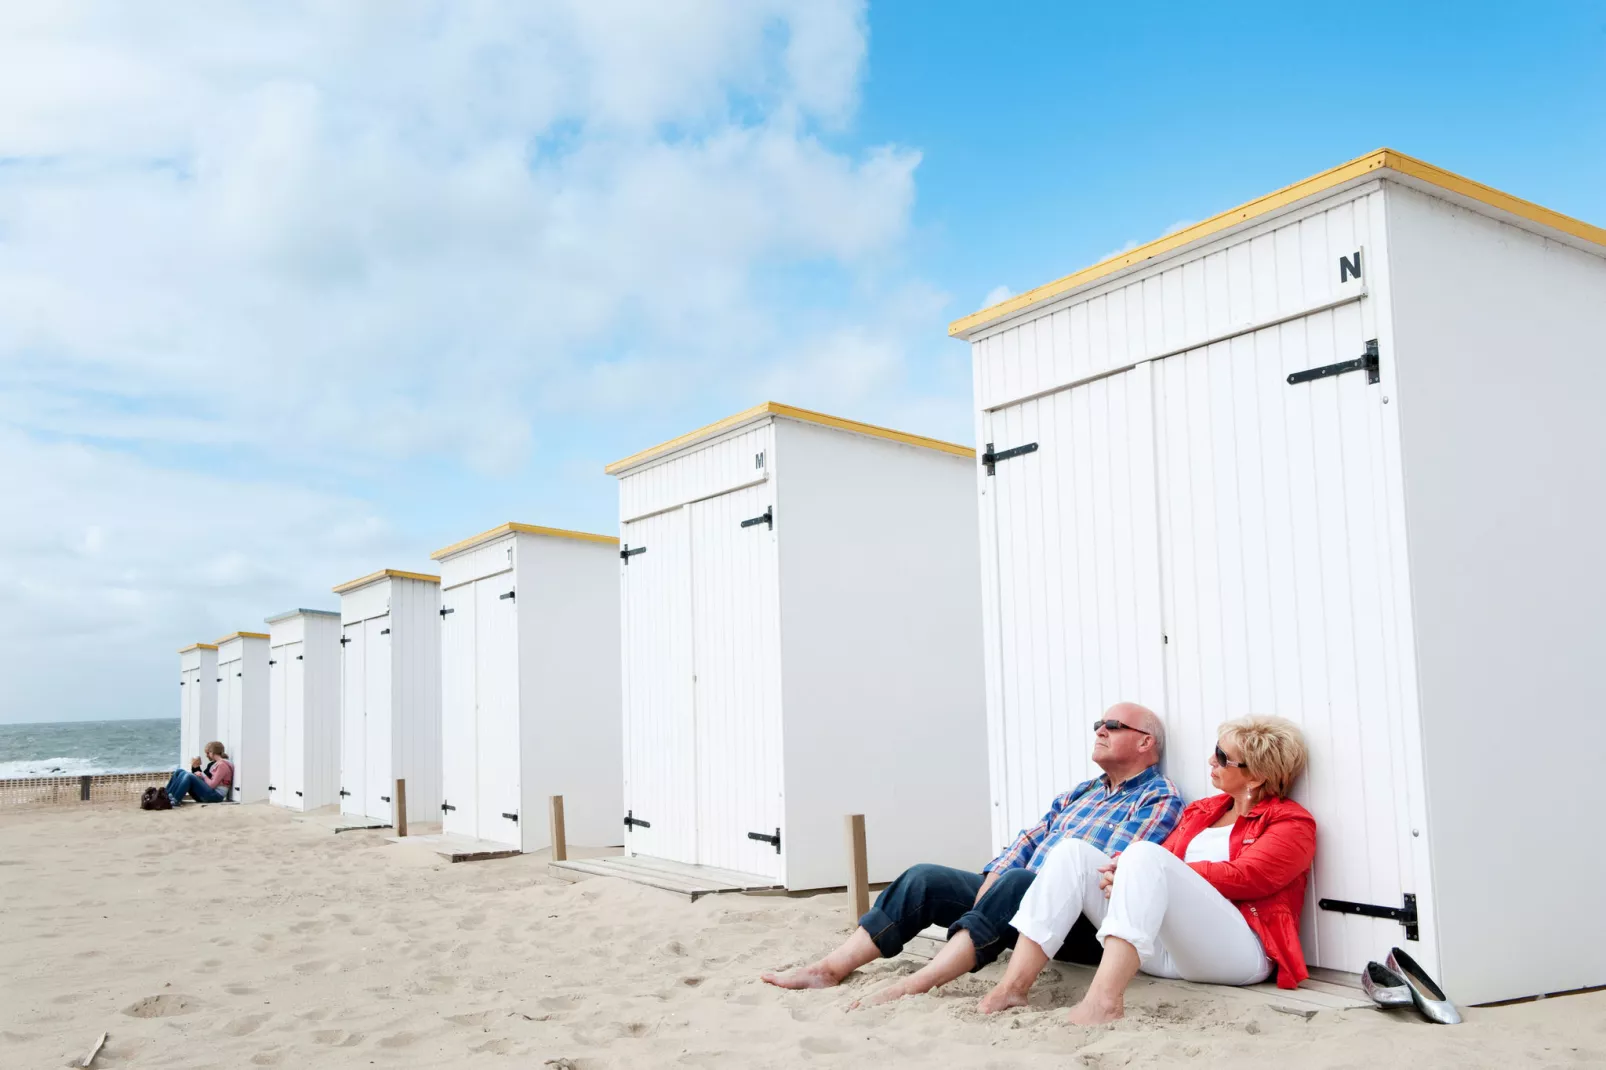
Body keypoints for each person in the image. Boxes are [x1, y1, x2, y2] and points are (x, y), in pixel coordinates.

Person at [762, 702, 1183, 1005]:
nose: (1100, 730)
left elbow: (1102, 866)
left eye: (1113, 725)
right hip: (1012, 901)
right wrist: (993, 880)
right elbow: (1029, 839)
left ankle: (922, 981)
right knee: (925, 877)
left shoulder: (1157, 797)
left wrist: (1013, 885)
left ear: (1145, 741)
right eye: (1098, 723)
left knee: (1023, 882)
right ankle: (830, 968)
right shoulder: (1082, 791)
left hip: (1072, 922)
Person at [978, 715, 1315, 1023]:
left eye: (1222, 757)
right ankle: (1013, 986)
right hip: (1165, 953)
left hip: (1240, 954)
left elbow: (1248, 877)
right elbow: (1157, 862)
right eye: (1215, 751)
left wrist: (1146, 870)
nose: (1212, 760)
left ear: (1255, 776)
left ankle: (1104, 1001)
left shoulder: (1292, 822)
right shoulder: (1202, 811)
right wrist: (1125, 874)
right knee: (1072, 854)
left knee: (1142, 855)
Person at [166, 741, 233, 806]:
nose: (207, 755)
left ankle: (175, 800)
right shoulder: (217, 764)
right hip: (210, 793)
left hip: (216, 796)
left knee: (189, 776)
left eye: (208, 753)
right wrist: (199, 773)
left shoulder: (222, 765)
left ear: (212, 752)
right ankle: (166, 795)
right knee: (180, 771)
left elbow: (212, 785)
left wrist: (202, 775)